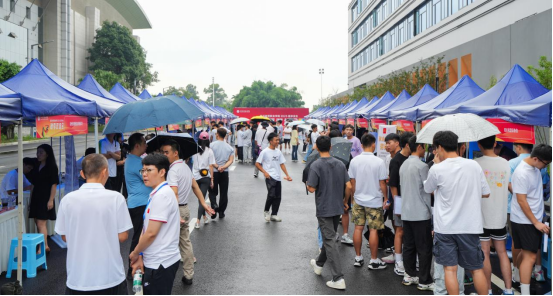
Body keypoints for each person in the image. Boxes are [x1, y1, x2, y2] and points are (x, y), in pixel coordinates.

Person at [423, 131, 491, 296]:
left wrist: (436, 164)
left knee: (450, 270)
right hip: (469, 226)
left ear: (439, 147)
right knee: (476, 269)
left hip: (445, 228)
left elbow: (427, 189)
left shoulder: (437, 169)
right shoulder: (473, 165)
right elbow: (486, 192)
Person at [56, 154, 133, 295]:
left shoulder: (67, 200)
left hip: (78, 279)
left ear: (82, 174)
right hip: (110, 276)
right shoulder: (116, 198)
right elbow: (123, 236)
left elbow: (64, 236)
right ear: (105, 171)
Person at [161, 140, 215, 286]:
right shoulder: (185, 167)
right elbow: (195, 187)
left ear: (175, 152)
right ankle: (188, 274)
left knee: (167, 244)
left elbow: (174, 194)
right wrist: (204, 204)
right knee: (185, 242)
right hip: (184, 209)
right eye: (162, 152)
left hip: (175, 210)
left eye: (166, 152)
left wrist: (175, 214)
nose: (164, 155)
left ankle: (165, 278)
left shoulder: (172, 170)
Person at [129, 154, 181, 296]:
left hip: (161, 262)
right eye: (143, 171)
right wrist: (139, 254)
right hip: (155, 260)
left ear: (162, 172)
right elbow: (146, 229)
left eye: (149, 170)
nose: (144, 174)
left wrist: (134, 253)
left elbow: (151, 234)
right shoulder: (156, 193)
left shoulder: (162, 195)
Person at [307, 136, 353, 291]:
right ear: (331, 147)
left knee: (330, 241)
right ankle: (319, 264)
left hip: (324, 208)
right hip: (337, 207)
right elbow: (349, 186)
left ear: (317, 148)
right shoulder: (340, 164)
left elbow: (312, 188)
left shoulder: (315, 165)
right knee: (330, 237)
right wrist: (345, 201)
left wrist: (308, 184)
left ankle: (338, 277)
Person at [474, 136, 514, 295]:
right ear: (495, 143)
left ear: (479, 144)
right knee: (502, 252)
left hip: (482, 216)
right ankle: (509, 290)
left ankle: (488, 290)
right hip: (500, 215)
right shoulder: (505, 163)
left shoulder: (476, 164)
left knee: (484, 252)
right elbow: (511, 187)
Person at [510, 144, 552, 296]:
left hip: (526, 219)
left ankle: (516, 273)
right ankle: (525, 291)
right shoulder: (522, 173)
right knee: (531, 256)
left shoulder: (533, 168)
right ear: (535, 158)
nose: (545, 167)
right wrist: (536, 222)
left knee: (525, 253)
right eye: (545, 164)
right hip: (526, 221)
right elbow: (522, 200)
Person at [348, 133, 389, 271]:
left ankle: (358, 257)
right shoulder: (379, 161)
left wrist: (353, 197)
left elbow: (352, 182)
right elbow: (382, 182)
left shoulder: (354, 161)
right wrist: (386, 197)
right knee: (373, 230)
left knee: (358, 228)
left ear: (361, 145)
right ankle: (373, 260)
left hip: (358, 199)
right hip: (374, 201)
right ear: (373, 145)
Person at [399, 136, 434, 291]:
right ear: (419, 147)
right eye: (424, 146)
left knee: (409, 246)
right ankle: (424, 280)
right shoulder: (422, 166)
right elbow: (428, 190)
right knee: (424, 248)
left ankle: (410, 275)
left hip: (406, 211)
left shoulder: (403, 164)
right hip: (421, 212)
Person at [383, 132, 413, 276]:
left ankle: (409, 259)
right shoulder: (396, 160)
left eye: (389, 142)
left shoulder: (414, 158)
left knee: (409, 231)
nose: (387, 145)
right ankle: (399, 261)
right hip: (400, 201)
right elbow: (392, 184)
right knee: (399, 230)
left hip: (412, 201)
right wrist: (396, 201)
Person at [124, 133, 152, 279]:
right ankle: (132, 268)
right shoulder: (135, 163)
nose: (146, 145)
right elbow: (149, 177)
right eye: (144, 143)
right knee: (139, 237)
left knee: (141, 235)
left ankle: (137, 265)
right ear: (137, 145)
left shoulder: (134, 160)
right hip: (139, 204)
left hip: (140, 203)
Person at [255, 133, 293, 223]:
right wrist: (265, 172)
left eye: (278, 140)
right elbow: (257, 163)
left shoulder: (278, 152)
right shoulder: (265, 152)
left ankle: (274, 214)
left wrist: (287, 175)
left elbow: (282, 164)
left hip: (278, 177)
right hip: (269, 176)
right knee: (271, 194)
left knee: (278, 196)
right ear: (270, 141)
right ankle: (266, 211)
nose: (278, 141)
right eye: (276, 140)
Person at [29, 144, 59, 254]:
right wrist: (31, 199)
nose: (38, 155)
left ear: (47, 154)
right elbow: (33, 184)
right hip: (36, 196)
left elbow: (54, 184)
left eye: (41, 152)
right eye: (37, 152)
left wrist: (51, 200)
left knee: (41, 223)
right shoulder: (36, 166)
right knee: (37, 222)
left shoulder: (51, 167)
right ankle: (45, 245)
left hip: (45, 197)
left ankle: (41, 248)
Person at [192, 132, 217, 228]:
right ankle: (198, 221)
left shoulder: (194, 148)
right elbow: (211, 165)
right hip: (205, 177)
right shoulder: (210, 151)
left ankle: (204, 217)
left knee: (200, 198)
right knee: (202, 199)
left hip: (195, 177)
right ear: (208, 140)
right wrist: (212, 179)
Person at [210, 128, 235, 219]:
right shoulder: (229, 147)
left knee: (212, 191)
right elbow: (230, 161)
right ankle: (221, 212)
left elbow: (210, 160)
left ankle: (214, 207)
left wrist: (217, 167)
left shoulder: (211, 145)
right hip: (224, 172)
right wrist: (223, 167)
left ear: (217, 135)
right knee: (224, 192)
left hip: (214, 172)